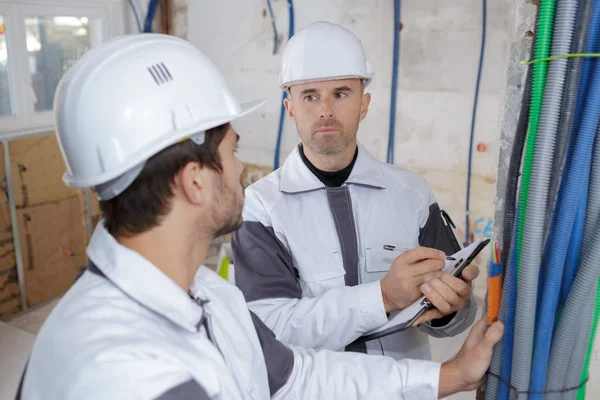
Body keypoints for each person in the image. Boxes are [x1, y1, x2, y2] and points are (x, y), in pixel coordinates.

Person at [17, 33, 502, 400]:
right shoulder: (122, 369)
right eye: (233, 149)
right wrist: (381, 297)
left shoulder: (212, 298)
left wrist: (450, 374)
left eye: (341, 93)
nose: (241, 169)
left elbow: (296, 374)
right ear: (195, 181)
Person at [232, 20, 478, 358]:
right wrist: (384, 297)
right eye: (310, 96)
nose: (326, 111)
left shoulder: (412, 193)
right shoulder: (261, 207)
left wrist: (452, 306)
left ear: (364, 104)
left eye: (341, 94)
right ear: (290, 108)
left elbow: (456, 316)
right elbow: (268, 328)